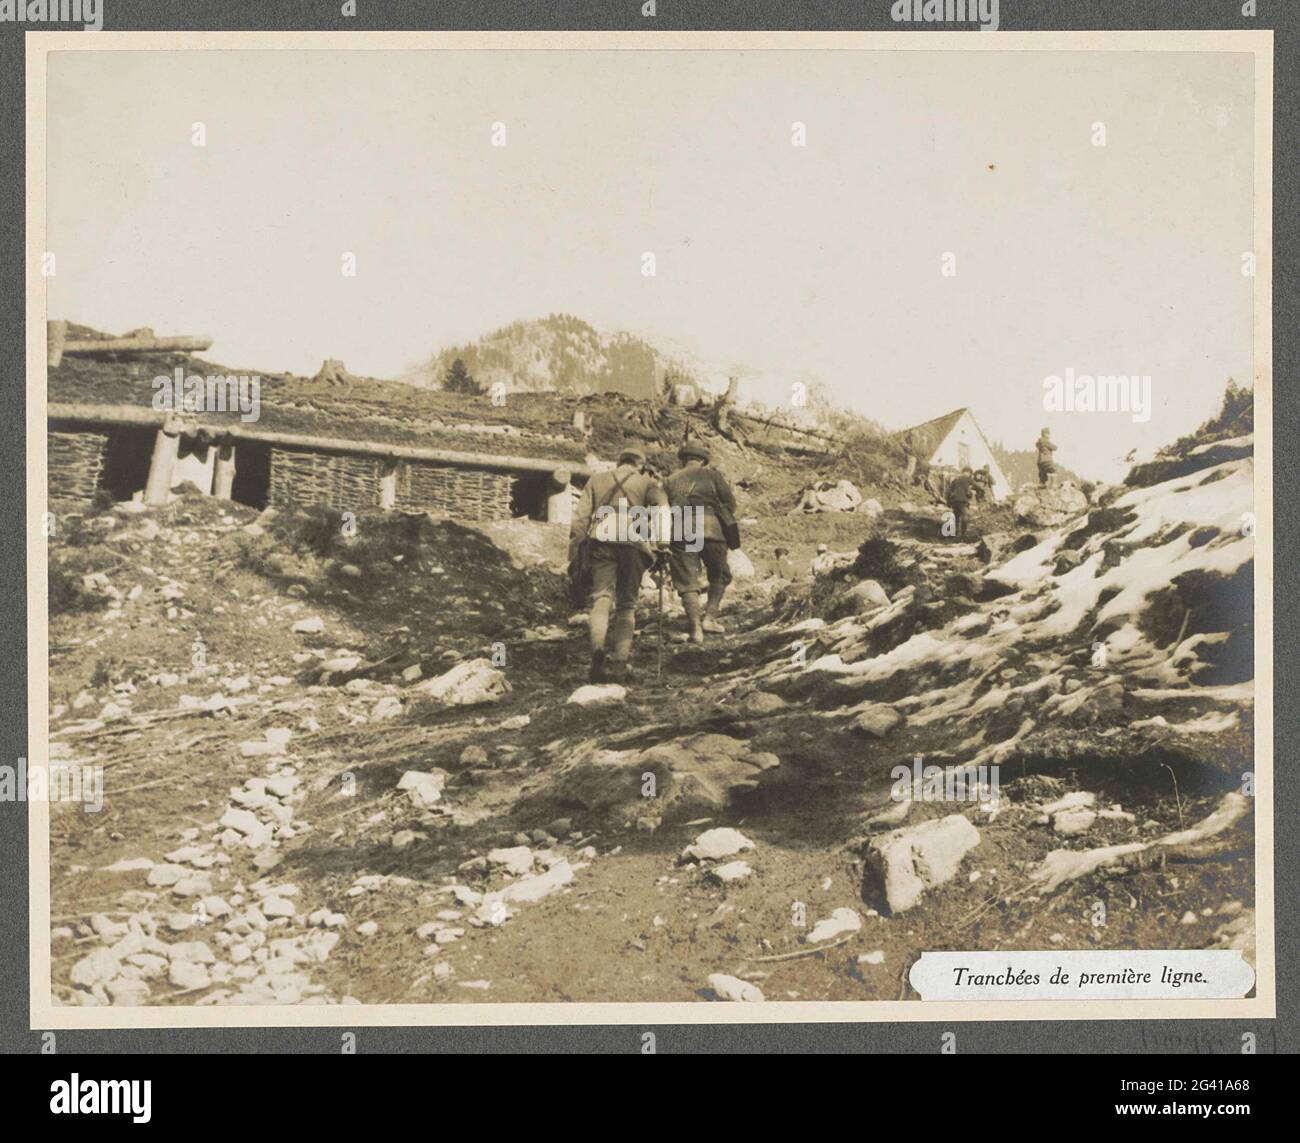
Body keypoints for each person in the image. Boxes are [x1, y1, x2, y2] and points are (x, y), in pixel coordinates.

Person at [569, 445, 668, 683]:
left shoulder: (596, 480)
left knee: (601, 598)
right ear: (640, 465)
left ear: (618, 462)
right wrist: (663, 545)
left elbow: (580, 521)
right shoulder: (647, 484)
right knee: (626, 605)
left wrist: (576, 554)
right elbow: (663, 511)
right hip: (633, 543)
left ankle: (597, 652)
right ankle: (621, 662)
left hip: (601, 541)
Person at [665, 441, 737, 640]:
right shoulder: (713, 476)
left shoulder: (670, 479)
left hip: (683, 529)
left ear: (683, 460)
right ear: (703, 460)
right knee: (719, 574)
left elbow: (664, 509)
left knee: (687, 580)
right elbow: (730, 503)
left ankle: (695, 627)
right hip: (712, 530)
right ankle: (710, 617)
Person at [947, 466, 975, 538]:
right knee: (965, 516)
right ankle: (963, 534)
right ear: (969, 473)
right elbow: (977, 486)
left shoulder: (955, 479)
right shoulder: (968, 478)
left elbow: (949, 491)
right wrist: (982, 491)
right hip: (963, 501)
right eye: (970, 473)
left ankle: (954, 533)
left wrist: (948, 502)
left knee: (956, 516)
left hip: (954, 500)